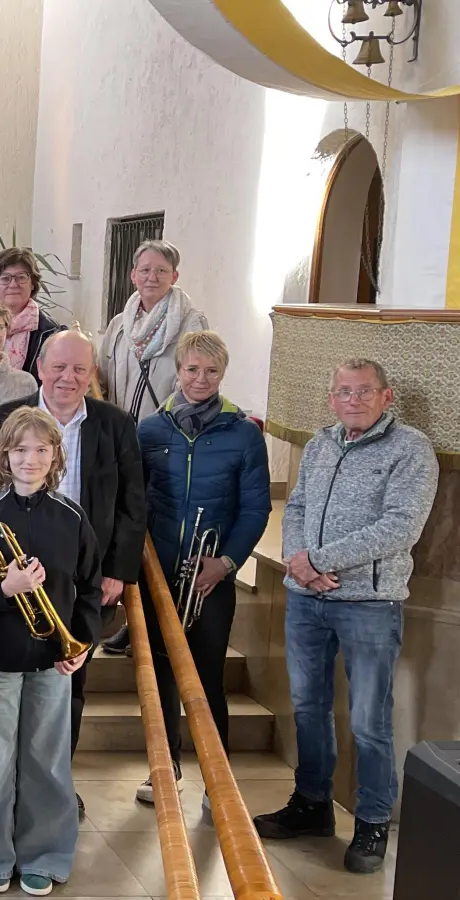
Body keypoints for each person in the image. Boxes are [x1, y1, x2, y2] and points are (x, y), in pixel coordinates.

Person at [253, 358, 437, 875]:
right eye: (343, 391)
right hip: (307, 598)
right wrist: (300, 563)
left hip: (369, 605)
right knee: (308, 708)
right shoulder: (320, 444)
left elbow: (401, 526)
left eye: (363, 391)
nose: (352, 400)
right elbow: (298, 508)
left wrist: (321, 561)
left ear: (386, 396)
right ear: (331, 398)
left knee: (368, 720)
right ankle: (312, 805)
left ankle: (373, 821)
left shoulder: (411, 450)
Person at [0, 331, 146, 795]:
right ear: (39, 368)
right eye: (58, 367)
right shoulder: (1, 421)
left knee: (69, 685)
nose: (68, 378)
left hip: (81, 576)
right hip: (9, 576)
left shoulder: (115, 425)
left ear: (92, 373)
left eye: (79, 369)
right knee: (4, 697)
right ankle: (5, 789)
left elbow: (133, 502)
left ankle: (55, 787)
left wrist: (118, 569)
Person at [0, 407, 102, 895]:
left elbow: (89, 588)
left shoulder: (72, 516)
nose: (30, 459)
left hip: (54, 659)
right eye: (20, 449)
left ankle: (45, 855)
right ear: (4, 456)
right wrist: (7, 589)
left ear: (56, 455)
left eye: (41, 449)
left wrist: (83, 644)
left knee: (46, 760)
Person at [130, 332, 269, 806]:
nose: (200, 379)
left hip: (213, 575)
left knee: (207, 675)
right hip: (159, 573)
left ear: (223, 374)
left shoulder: (244, 434)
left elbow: (255, 509)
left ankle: (217, 778)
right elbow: (134, 503)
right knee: (162, 675)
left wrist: (226, 562)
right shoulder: (150, 430)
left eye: (210, 371)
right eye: (192, 369)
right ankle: (164, 768)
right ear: (177, 371)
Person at [98, 240, 208, 422]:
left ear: (174, 276)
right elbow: (102, 380)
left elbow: (197, 386)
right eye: (145, 270)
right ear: (133, 276)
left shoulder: (191, 326)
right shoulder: (119, 325)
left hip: (165, 436)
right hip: (119, 436)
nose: (152, 277)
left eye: (161, 270)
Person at [0, 247, 64, 381]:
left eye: (21, 277)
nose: (13, 284)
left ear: (33, 283)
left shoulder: (51, 333)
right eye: (5, 278)